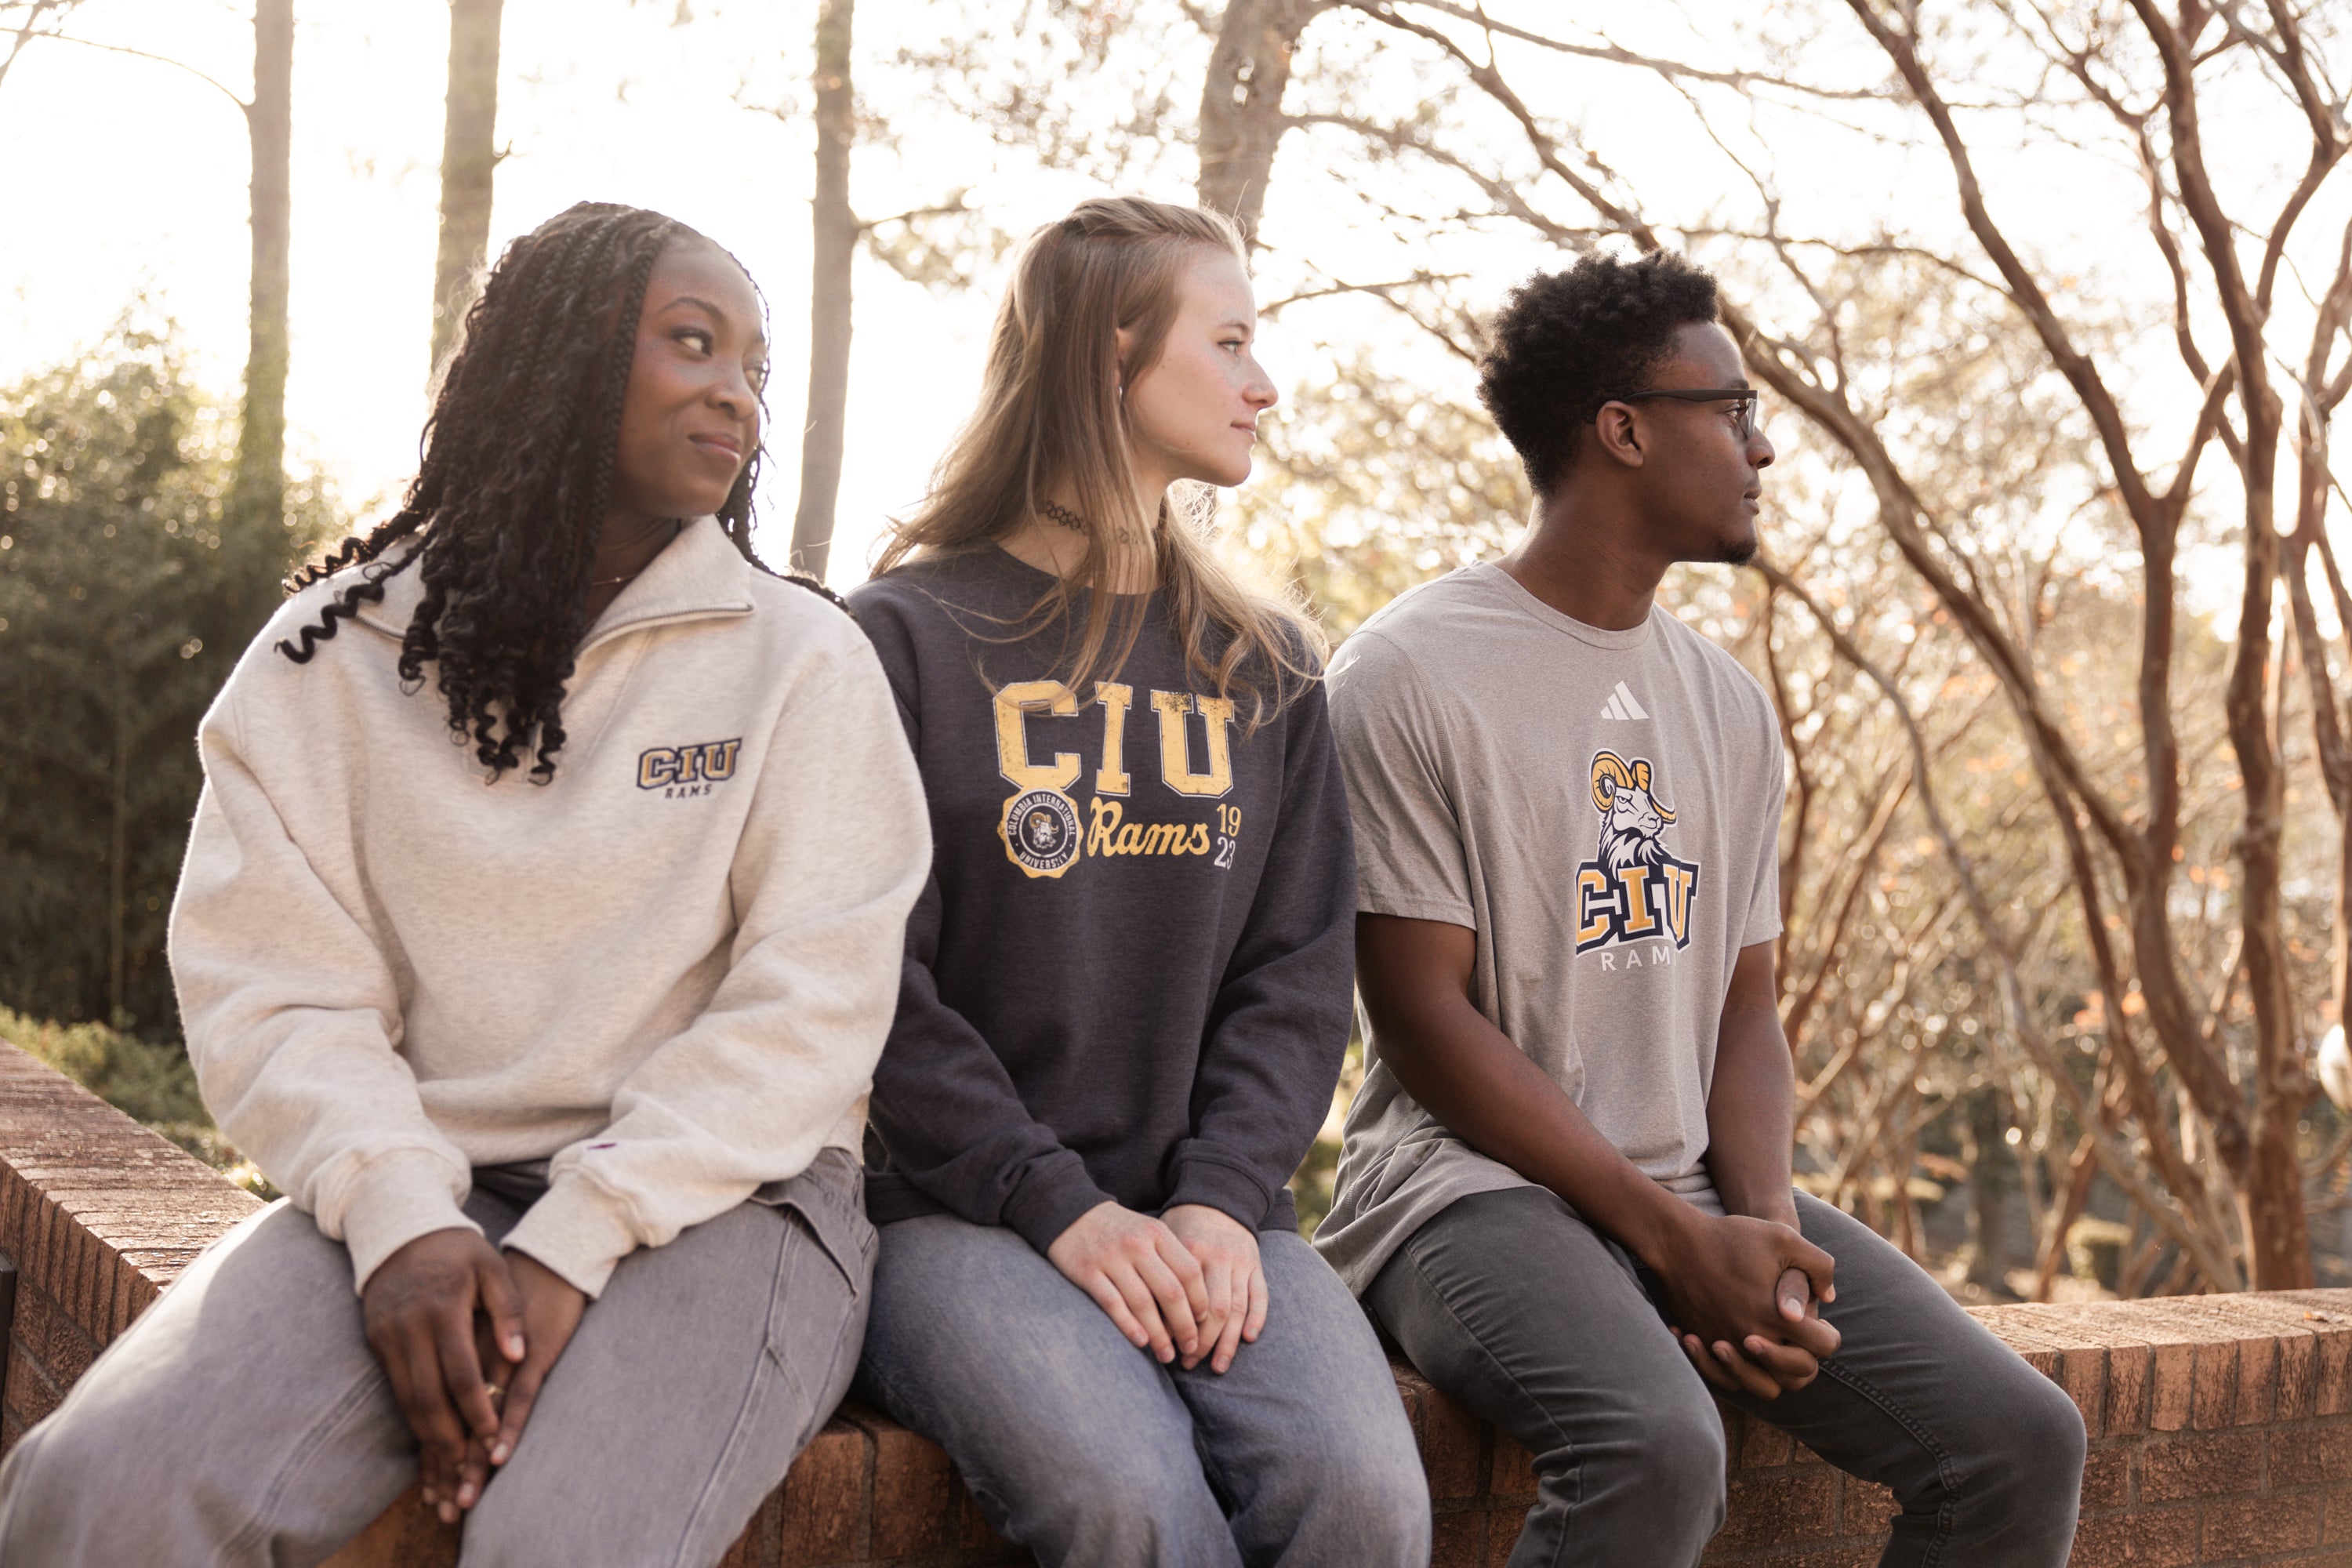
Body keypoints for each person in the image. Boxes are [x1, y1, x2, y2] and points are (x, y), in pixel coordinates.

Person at [0, 201, 931, 1567]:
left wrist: (577, 1236)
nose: (735, 391)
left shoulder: (801, 660)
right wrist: (398, 1223)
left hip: (736, 1201)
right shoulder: (329, 660)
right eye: (691, 342)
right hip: (419, 1175)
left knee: (557, 1544)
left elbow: (815, 1003)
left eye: (754, 366)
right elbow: (276, 987)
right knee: (95, 1493)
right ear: (554, 366)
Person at [1316, 249, 2086, 1567]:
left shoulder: (1726, 703)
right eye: (1731, 410)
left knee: (2019, 1443)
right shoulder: (1406, 672)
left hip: (1692, 1182)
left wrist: (1762, 1233)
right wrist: (1673, 1238)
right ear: (1622, 430)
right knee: (1657, 1448)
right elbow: (1423, 1019)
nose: (1762, 447)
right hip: (1462, 1199)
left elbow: (1745, 1006)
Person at [845, 196, 1429, 1568]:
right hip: (959, 1213)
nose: (1262, 384)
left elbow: (1298, 977)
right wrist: (1063, 1210)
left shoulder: (1265, 661)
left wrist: (1223, 1197)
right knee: (1130, 1510)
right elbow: (875, 985)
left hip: (1214, 1212)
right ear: (1112, 360)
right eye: (1227, 343)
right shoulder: (901, 641)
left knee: (1368, 1506)